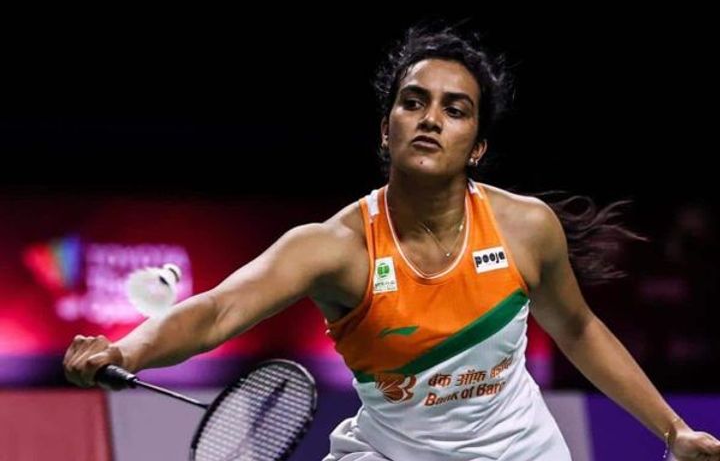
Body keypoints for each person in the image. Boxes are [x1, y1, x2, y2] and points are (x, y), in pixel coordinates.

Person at [63, 24, 720, 460]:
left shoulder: (525, 227)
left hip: (521, 451)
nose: (431, 118)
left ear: (478, 146)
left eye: (455, 109)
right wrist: (126, 350)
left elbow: (577, 328)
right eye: (413, 102)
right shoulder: (335, 248)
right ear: (386, 129)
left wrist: (674, 430)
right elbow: (217, 310)